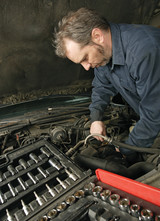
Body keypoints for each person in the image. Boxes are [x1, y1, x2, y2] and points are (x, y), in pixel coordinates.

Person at [53, 7, 160, 159]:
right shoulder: (103, 55)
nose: (86, 66)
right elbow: (101, 87)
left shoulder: (144, 51)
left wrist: (126, 150)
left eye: (85, 58)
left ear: (97, 36)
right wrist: (96, 119)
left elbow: (154, 113)